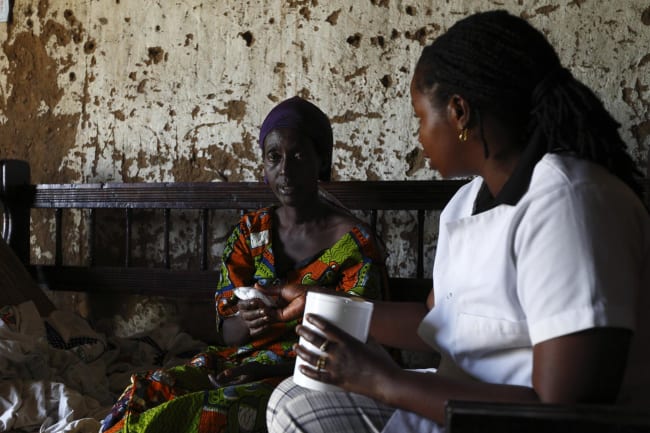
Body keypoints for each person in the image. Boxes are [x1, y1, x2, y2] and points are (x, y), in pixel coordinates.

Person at [266, 10, 650, 433]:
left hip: (513, 419)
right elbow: (438, 320)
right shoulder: (467, 202)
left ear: (459, 113)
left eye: (419, 117)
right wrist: (323, 305)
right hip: (457, 400)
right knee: (291, 399)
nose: (419, 136)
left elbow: (560, 408)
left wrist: (384, 380)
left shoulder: (569, 201)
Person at [100, 96, 388, 433]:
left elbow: (358, 342)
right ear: (264, 167)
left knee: (210, 410)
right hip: (239, 360)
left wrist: (262, 371)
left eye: (298, 156)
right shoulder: (251, 231)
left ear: (321, 161)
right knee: (146, 391)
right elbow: (228, 331)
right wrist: (247, 322)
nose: (286, 170)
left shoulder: (356, 244)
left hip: (314, 375)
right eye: (274, 157)